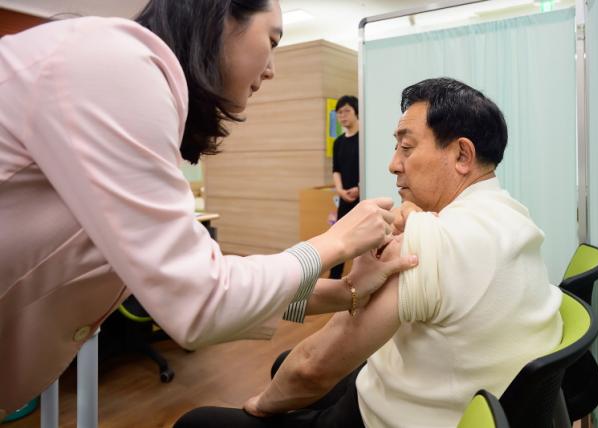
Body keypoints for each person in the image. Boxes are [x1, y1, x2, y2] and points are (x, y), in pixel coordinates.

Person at [0, 0, 418, 415]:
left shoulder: (124, 75)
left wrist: (347, 291)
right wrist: (333, 243)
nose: (271, 69)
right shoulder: (116, 66)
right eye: (272, 41)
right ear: (220, 16)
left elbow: (199, 280)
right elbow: (203, 296)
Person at [173, 77, 564, 427]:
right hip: (468, 401)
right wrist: (359, 280)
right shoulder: (514, 217)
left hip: (384, 416)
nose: (393, 164)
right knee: (287, 364)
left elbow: (311, 368)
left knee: (199, 421)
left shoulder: (431, 240)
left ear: (463, 155)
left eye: (406, 147)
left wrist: (260, 404)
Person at [329, 95, 360, 279]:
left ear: (356, 112)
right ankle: (334, 279)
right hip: (344, 199)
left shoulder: (364, 138)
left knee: (363, 240)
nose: (342, 116)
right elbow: (336, 170)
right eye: (339, 112)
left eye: (347, 111)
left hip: (362, 197)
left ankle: (360, 279)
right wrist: (340, 190)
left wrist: (360, 188)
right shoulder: (338, 142)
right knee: (338, 239)